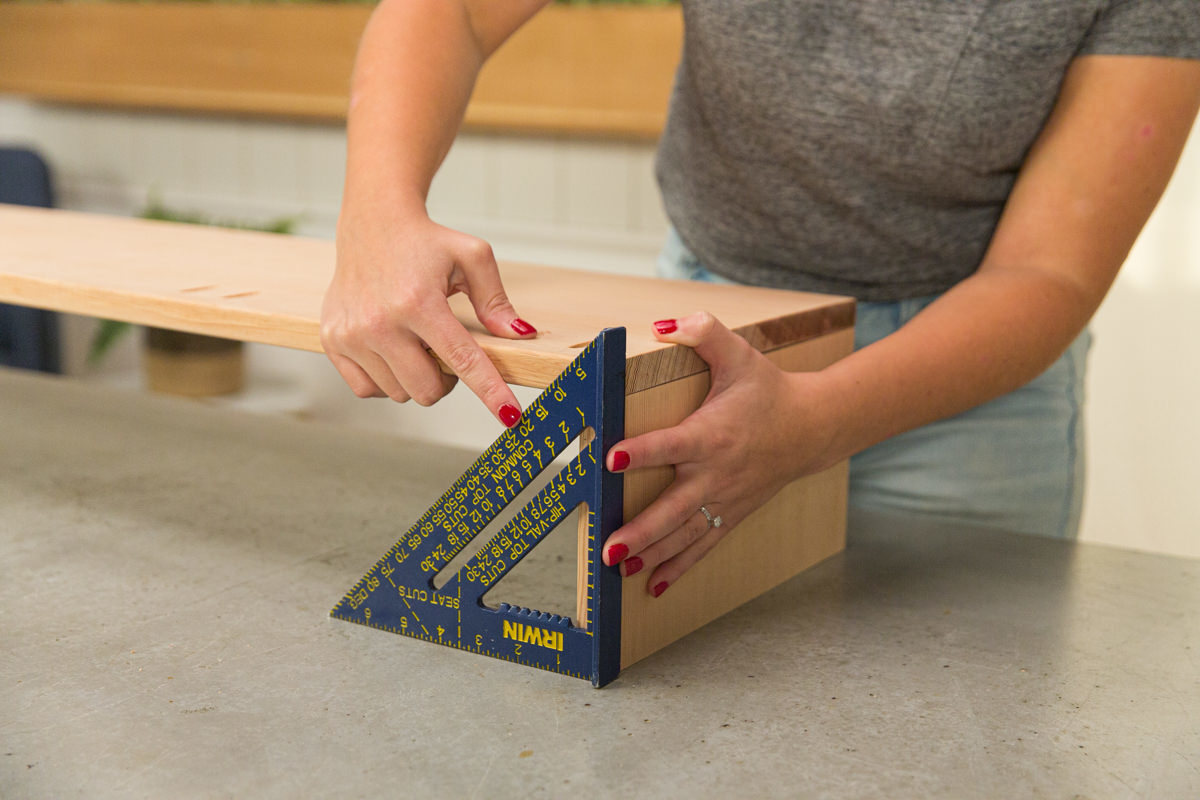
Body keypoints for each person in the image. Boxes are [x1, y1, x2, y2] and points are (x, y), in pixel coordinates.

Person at [321, 1, 1200, 598]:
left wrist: (816, 422)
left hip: (969, 389)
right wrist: (376, 219)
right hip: (709, 333)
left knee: (953, 723)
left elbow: (1048, 273)